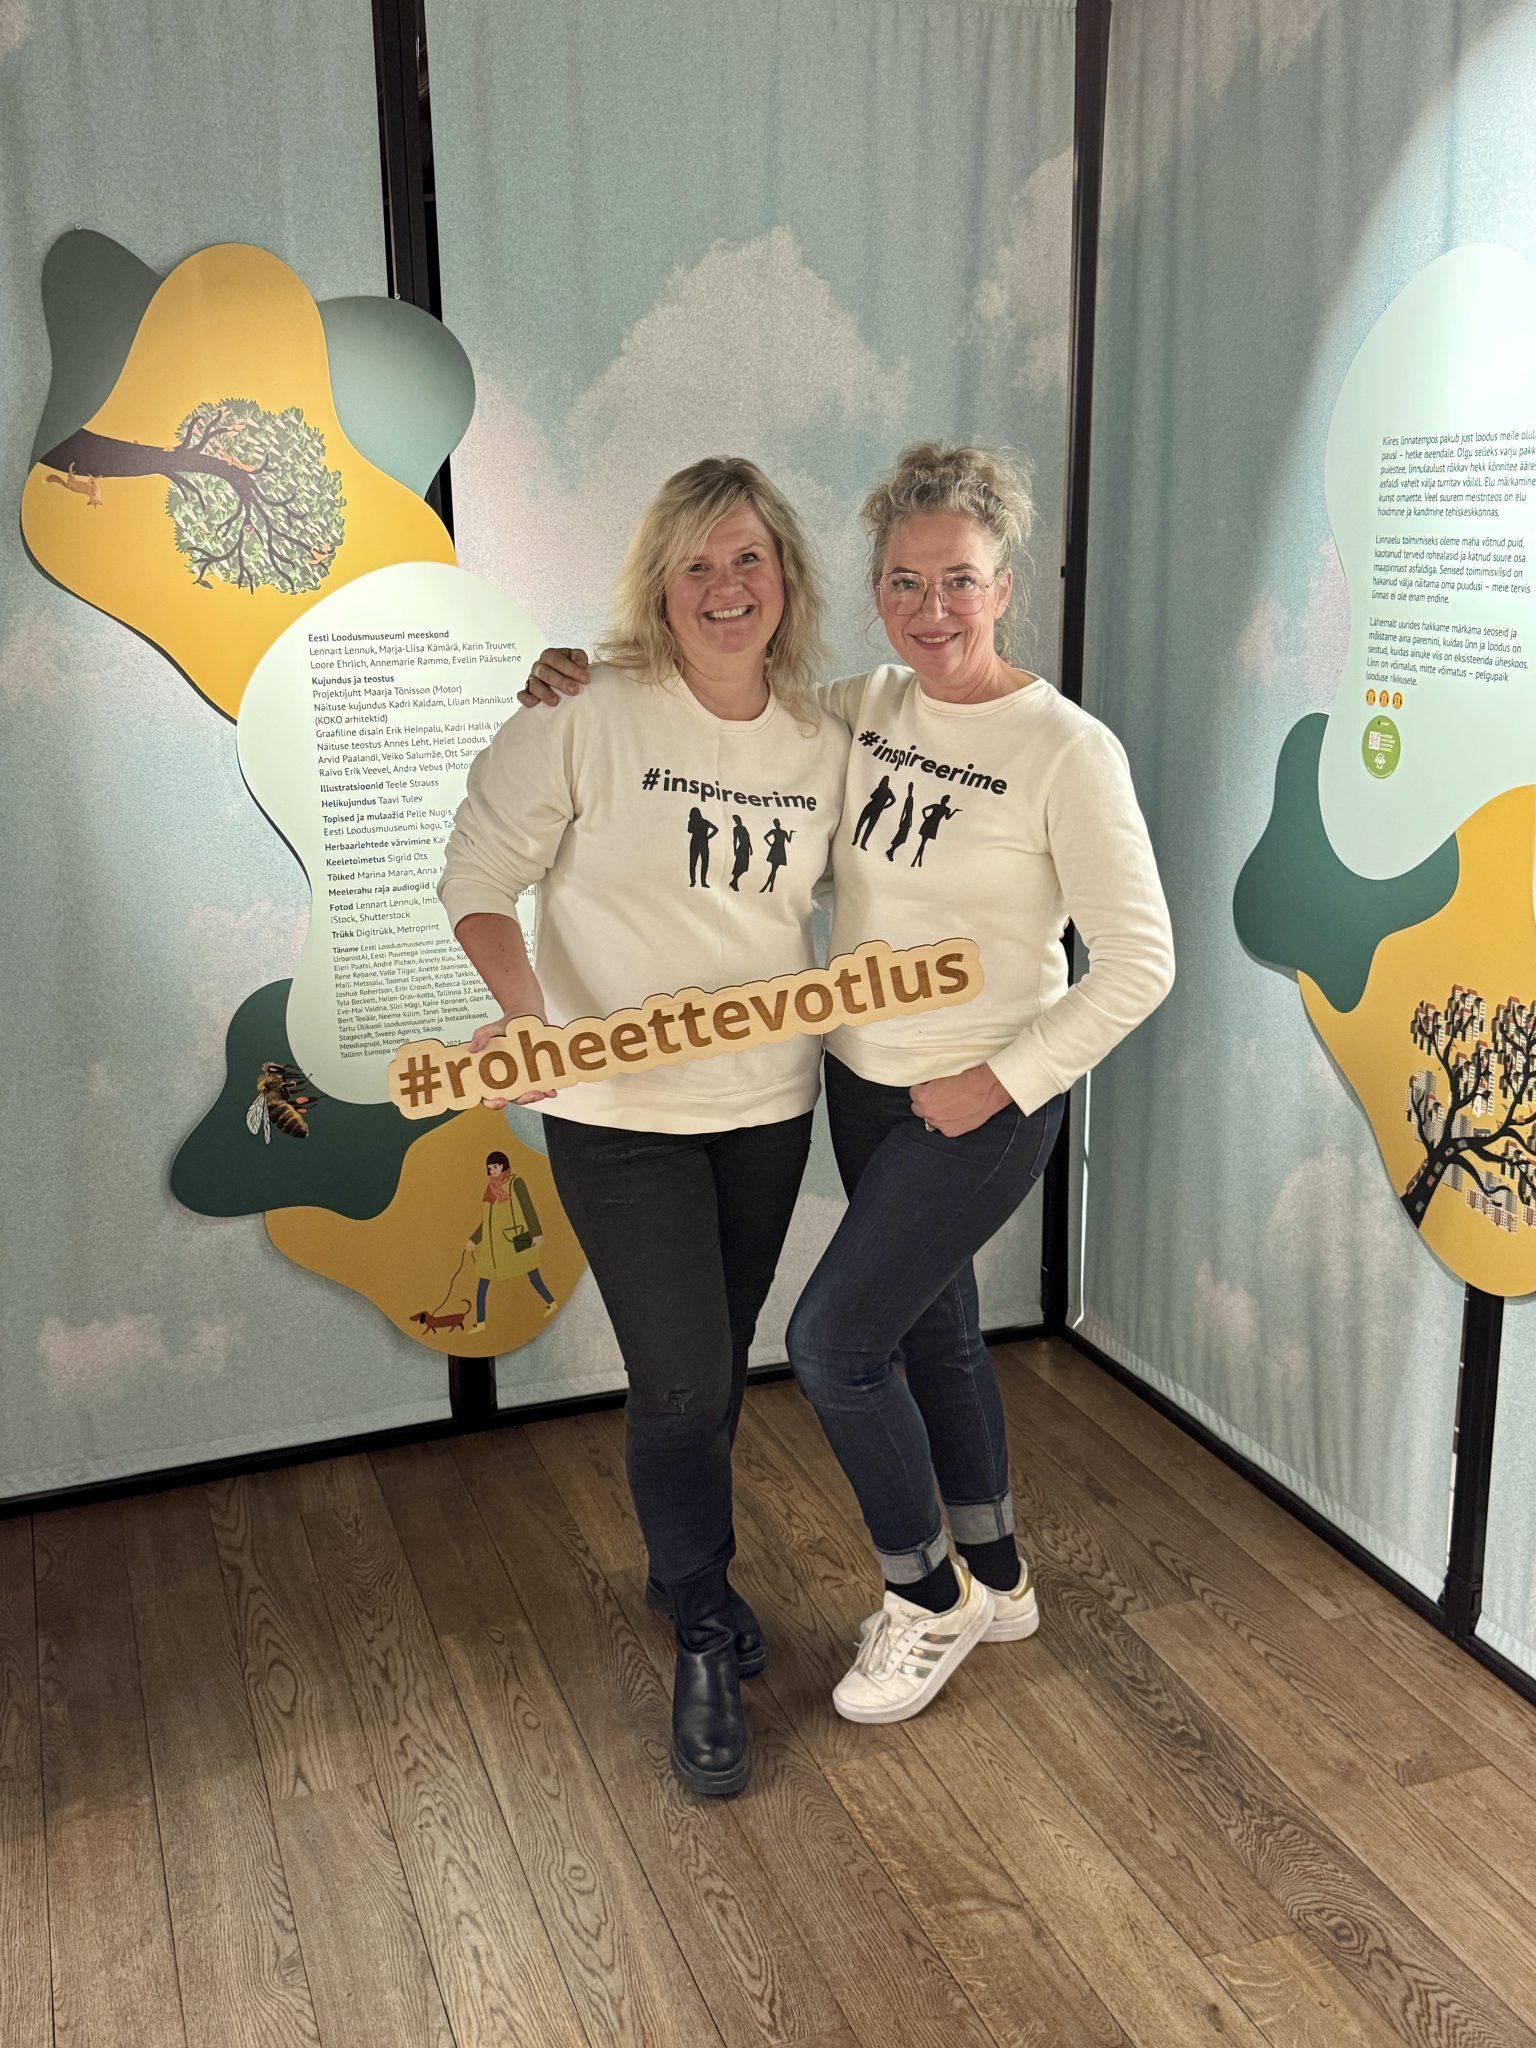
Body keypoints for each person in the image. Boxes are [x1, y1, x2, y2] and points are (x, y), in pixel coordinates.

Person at [516, 442, 1175, 1731]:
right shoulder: (860, 709)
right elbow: (716, 709)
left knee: (832, 1342)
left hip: (981, 1099)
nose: (933, 607)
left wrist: (1004, 1079)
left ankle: (925, 1594)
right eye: (905, 581)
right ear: (874, 589)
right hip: (863, 1086)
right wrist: (581, 676)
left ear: (1004, 585)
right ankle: (998, 1573)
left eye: (960, 579)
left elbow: (1141, 961)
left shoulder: (1067, 749)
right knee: (933, 1325)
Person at [438, 456, 847, 1796]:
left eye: (748, 559)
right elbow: (476, 876)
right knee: (679, 1378)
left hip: (767, 1104)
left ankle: (682, 1577)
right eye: (697, 565)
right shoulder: (586, 710)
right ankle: (703, 1631)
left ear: (785, 577)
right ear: (660, 586)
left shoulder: (825, 738)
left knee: (713, 1368)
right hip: (617, 1112)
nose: (726, 587)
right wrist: (529, 1017)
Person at [463, 1149, 554, 1332]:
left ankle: (551, 1302)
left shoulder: (515, 1182)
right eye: (490, 1168)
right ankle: (481, 1323)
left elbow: (528, 1207)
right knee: (483, 1281)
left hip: (516, 1239)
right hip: (493, 1247)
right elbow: (488, 1220)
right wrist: (474, 1239)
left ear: (503, 1165)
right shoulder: (491, 1188)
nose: (493, 1171)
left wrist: (536, 1233)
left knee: (532, 1273)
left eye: (495, 1166)